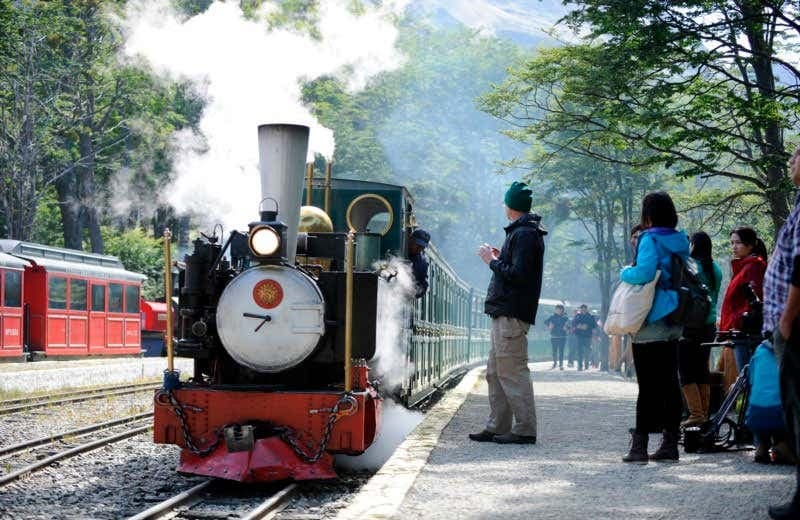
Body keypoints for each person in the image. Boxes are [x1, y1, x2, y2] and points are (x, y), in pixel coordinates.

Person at [469, 181, 546, 445]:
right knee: (495, 372)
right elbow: (518, 267)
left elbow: (519, 275)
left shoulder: (524, 234)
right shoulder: (523, 233)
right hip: (505, 313)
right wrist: (501, 257)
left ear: (510, 205)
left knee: (512, 372)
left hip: (511, 313)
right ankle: (497, 425)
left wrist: (491, 262)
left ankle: (525, 428)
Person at [620, 191, 689, 464]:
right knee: (671, 383)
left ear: (647, 215)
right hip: (675, 318)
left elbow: (644, 273)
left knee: (647, 387)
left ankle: (639, 448)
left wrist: (625, 271)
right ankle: (670, 445)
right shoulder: (680, 239)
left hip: (651, 319)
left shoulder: (650, 238)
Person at [765, 146, 800, 520]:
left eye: (796, 157)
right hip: (788, 323)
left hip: (795, 326)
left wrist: (788, 319)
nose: (790, 161)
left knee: (798, 408)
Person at [678, 232, 722, 427]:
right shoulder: (716, 269)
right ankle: (703, 413)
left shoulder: (690, 266)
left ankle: (695, 413)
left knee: (686, 369)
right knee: (702, 368)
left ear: (693, 245)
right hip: (709, 325)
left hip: (690, 325)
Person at [718, 226, 768, 388]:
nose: (734, 247)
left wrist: (739, 321)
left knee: (748, 381)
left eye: (738, 243)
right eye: (732, 243)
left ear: (750, 244)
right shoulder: (744, 266)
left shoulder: (754, 267)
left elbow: (755, 300)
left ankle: (751, 412)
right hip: (740, 331)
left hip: (746, 333)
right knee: (746, 379)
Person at [545, 304, 569, 370]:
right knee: (554, 351)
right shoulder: (552, 317)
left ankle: (561, 364)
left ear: (562, 310)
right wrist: (549, 325)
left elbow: (569, 326)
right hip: (554, 336)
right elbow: (546, 322)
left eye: (559, 309)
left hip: (562, 336)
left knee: (561, 351)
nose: (557, 310)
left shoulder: (565, 318)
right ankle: (555, 363)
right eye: (556, 309)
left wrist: (566, 328)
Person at [573, 304, 596, 371]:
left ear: (587, 309)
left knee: (587, 351)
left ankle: (586, 364)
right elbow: (573, 323)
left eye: (584, 309)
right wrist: (578, 326)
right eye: (582, 309)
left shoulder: (591, 316)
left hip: (588, 336)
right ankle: (580, 366)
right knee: (579, 351)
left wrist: (587, 326)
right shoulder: (577, 316)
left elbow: (594, 326)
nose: (583, 310)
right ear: (580, 309)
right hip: (579, 336)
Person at [409, 228, 430, 298]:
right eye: (417, 245)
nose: (419, 249)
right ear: (411, 239)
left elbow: (423, 285)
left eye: (422, 247)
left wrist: (415, 291)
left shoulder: (423, 264)